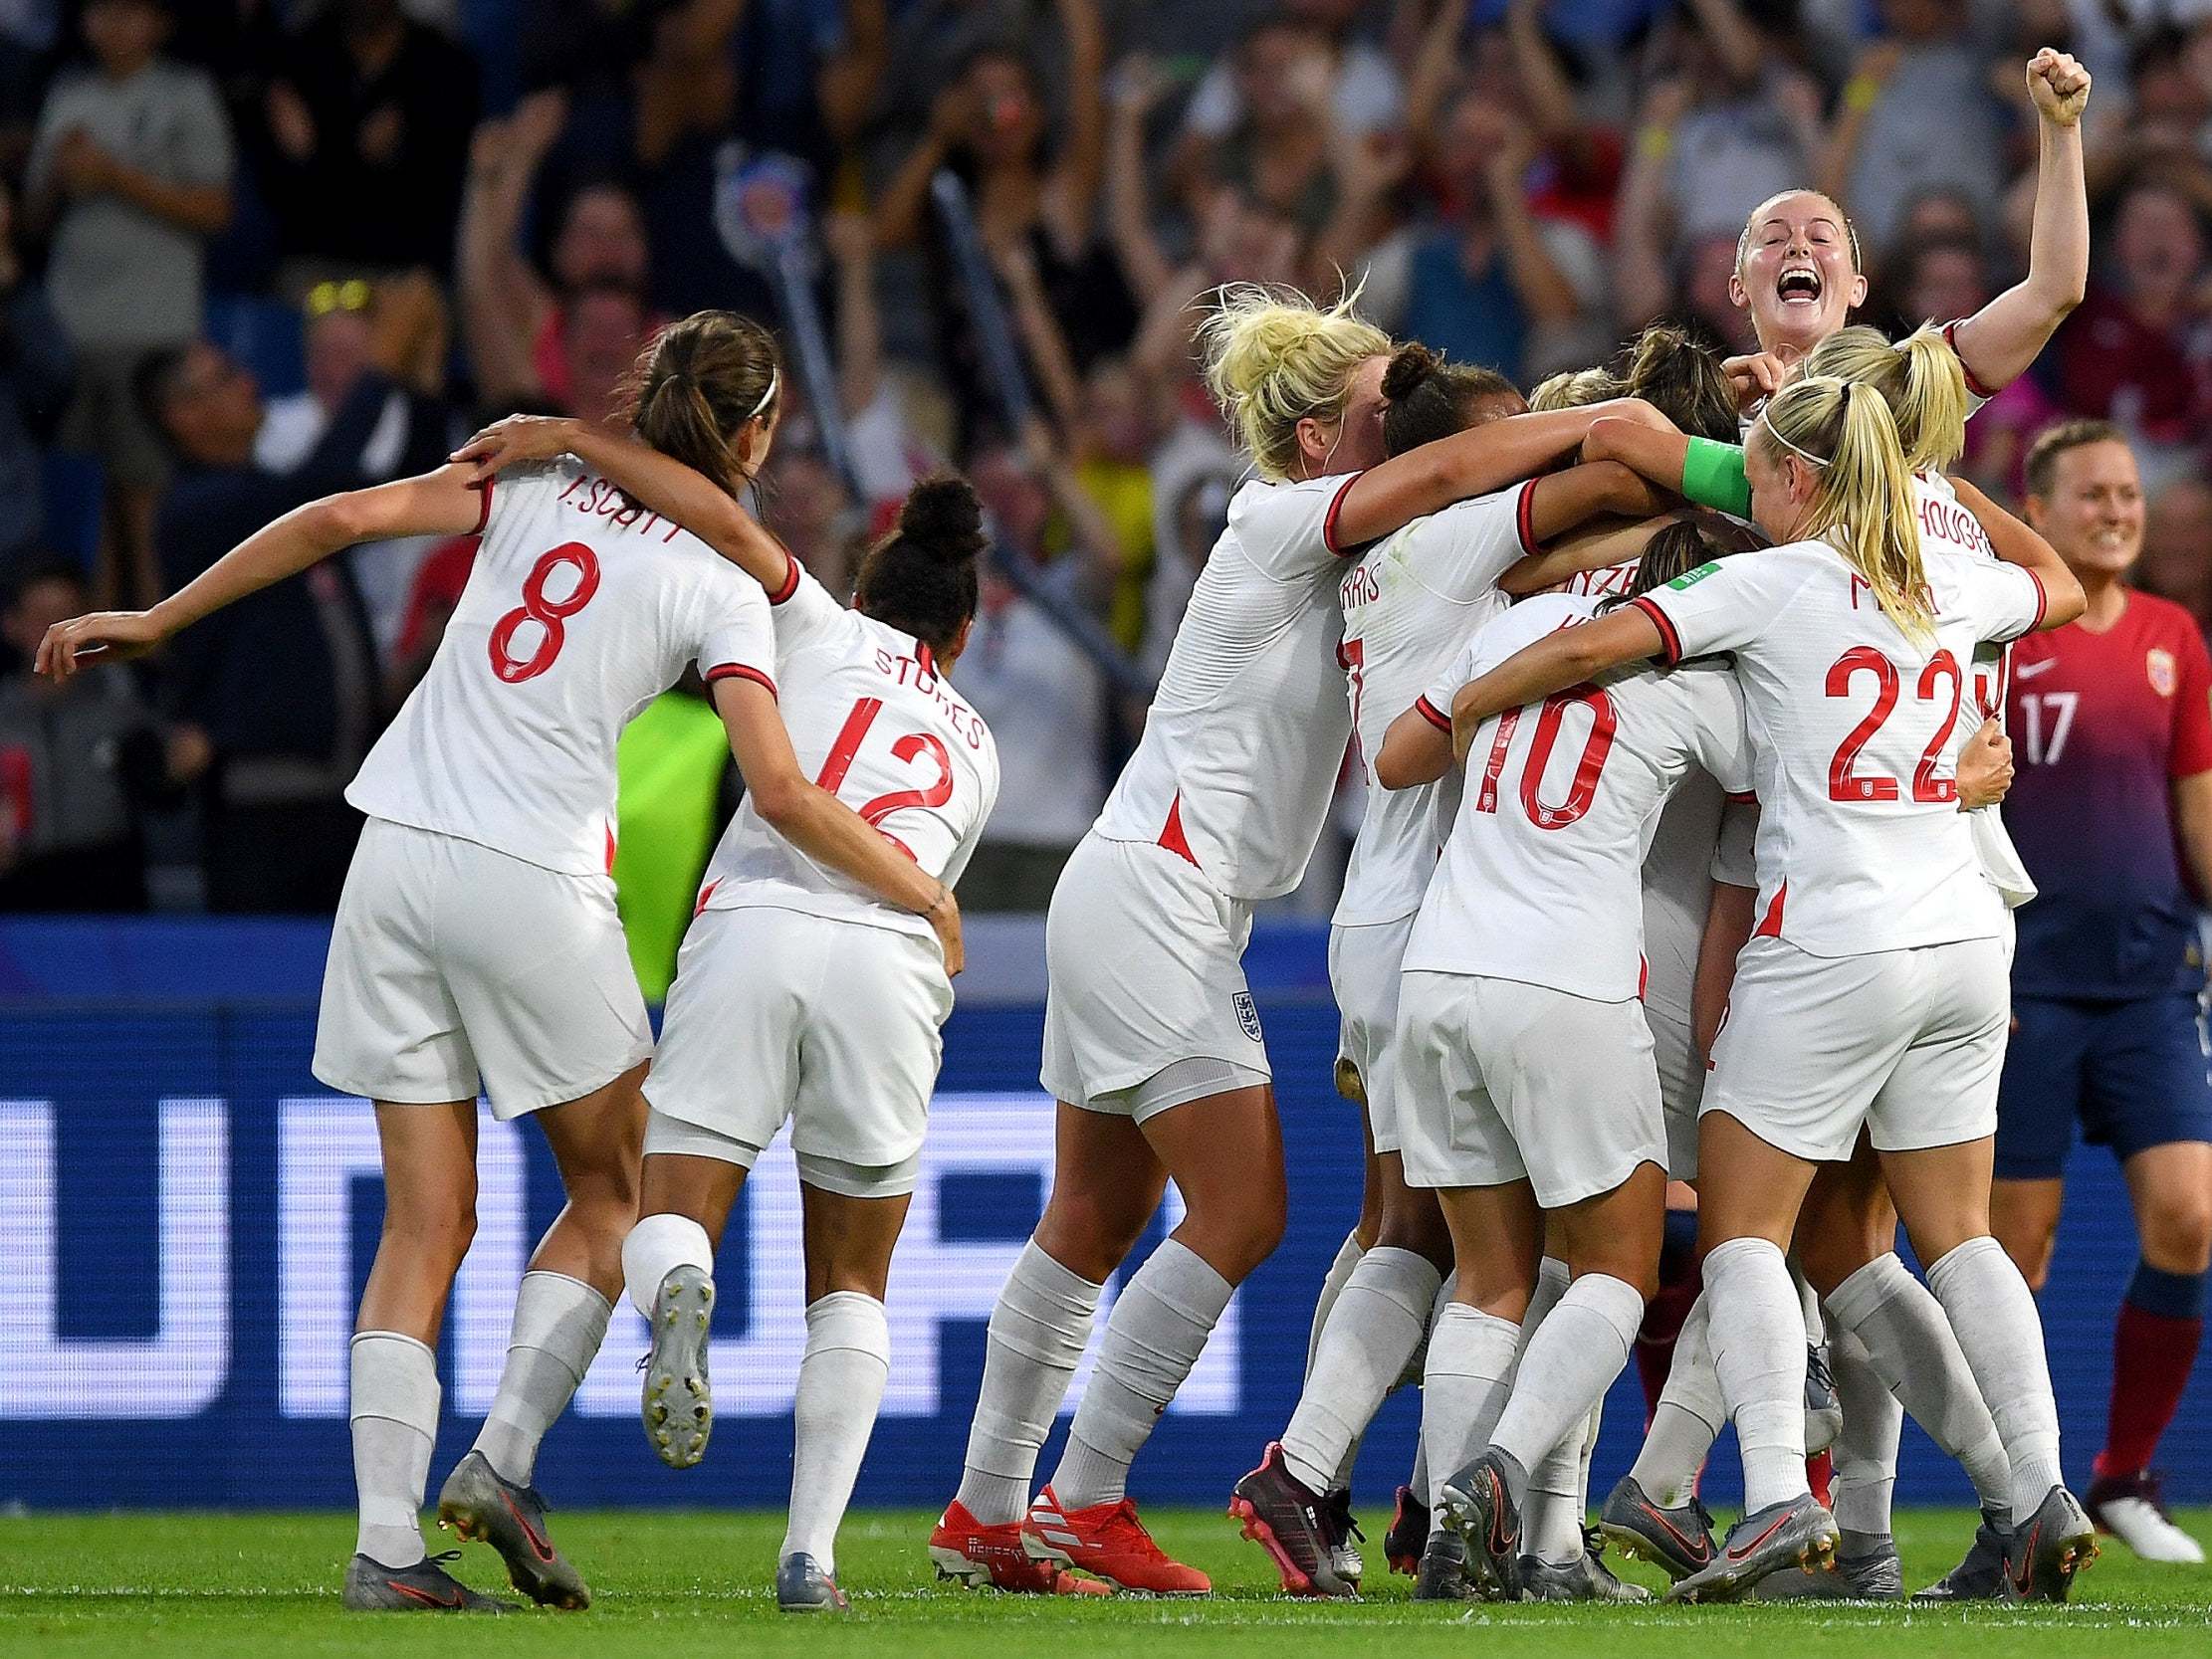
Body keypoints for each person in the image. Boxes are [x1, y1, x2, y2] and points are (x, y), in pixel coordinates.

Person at [38, 311, 962, 1615]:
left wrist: (161, 613)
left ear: (646, 387)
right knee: (631, 1187)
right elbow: (775, 781)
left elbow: (341, 521)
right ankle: (555, 1406)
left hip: (394, 846)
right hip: (531, 872)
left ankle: (386, 1545)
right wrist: (918, 884)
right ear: (754, 433)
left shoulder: (528, 473)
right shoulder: (722, 580)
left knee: (425, 1217)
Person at [930, 283, 1668, 1596]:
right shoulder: (1273, 516)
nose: (1407, 429)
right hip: (1161, 889)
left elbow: (1495, 536)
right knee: (1246, 1206)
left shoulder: (1352, 557)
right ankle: (1085, 1493)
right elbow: (1453, 467)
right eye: (1382, 408)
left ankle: (990, 1507)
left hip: (1145, 882)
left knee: (1091, 1215)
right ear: (1317, 436)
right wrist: (1616, 425)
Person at [1444, 373, 2089, 1603]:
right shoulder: (1952, 579)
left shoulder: (1774, 580)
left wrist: (1474, 695)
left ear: (1795, 479)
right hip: (1960, 937)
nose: (1752, 488)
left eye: (1758, 469)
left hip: (1829, 941)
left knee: (1744, 1225)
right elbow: (2053, 587)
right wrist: (1948, 496)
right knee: (1953, 1234)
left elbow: (1594, 642)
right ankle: (2036, 1490)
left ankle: (1776, 1500)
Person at [456, 410, 998, 1610]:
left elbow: (708, 511)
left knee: (665, 1201)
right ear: (959, 636)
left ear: (862, 586)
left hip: (752, 920)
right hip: (891, 957)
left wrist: (568, 437)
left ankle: (675, 1289)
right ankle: (809, 1555)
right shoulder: (977, 741)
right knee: (853, 1279)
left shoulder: (805, 622)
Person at [1229, 344, 1676, 1599]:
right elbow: (1599, 509)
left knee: (1421, 1229)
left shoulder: (1409, 561)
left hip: (1396, 918)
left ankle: (1413, 1502)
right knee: (1469, 1241)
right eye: (1509, 437)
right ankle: (1364, 1482)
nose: (1533, 450)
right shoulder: (1452, 538)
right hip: (1449, 914)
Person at [1396, 516, 1753, 1604]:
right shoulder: (1699, 688)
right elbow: (1817, 762)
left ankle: (1458, 1555)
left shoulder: (1530, 625)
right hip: (1563, 983)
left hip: (1435, 973)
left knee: (1490, 1279)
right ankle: (1489, 1478)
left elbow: (1404, 750)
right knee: (1615, 1269)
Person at [1994, 419, 2212, 1566]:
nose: (2119, 509)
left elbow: (2197, 819)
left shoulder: (2175, 635)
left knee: (2190, 1215)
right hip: (2027, 986)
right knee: (2009, 1254)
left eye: (2129, 491)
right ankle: (2021, 1490)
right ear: (2037, 505)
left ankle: (2122, 1473)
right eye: (2093, 493)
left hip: (2149, 987)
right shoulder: (2001, 628)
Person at [26, 0, 233, 611]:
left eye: (128, 10)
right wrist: (60, 181)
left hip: (152, 325)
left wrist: (115, 176)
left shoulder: (186, 93)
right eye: (99, 11)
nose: (111, 24)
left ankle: (155, 640)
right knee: (83, 494)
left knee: (144, 492)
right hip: (68, 326)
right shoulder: (68, 95)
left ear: (160, 20)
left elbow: (216, 210)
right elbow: (34, 220)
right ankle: (84, 643)